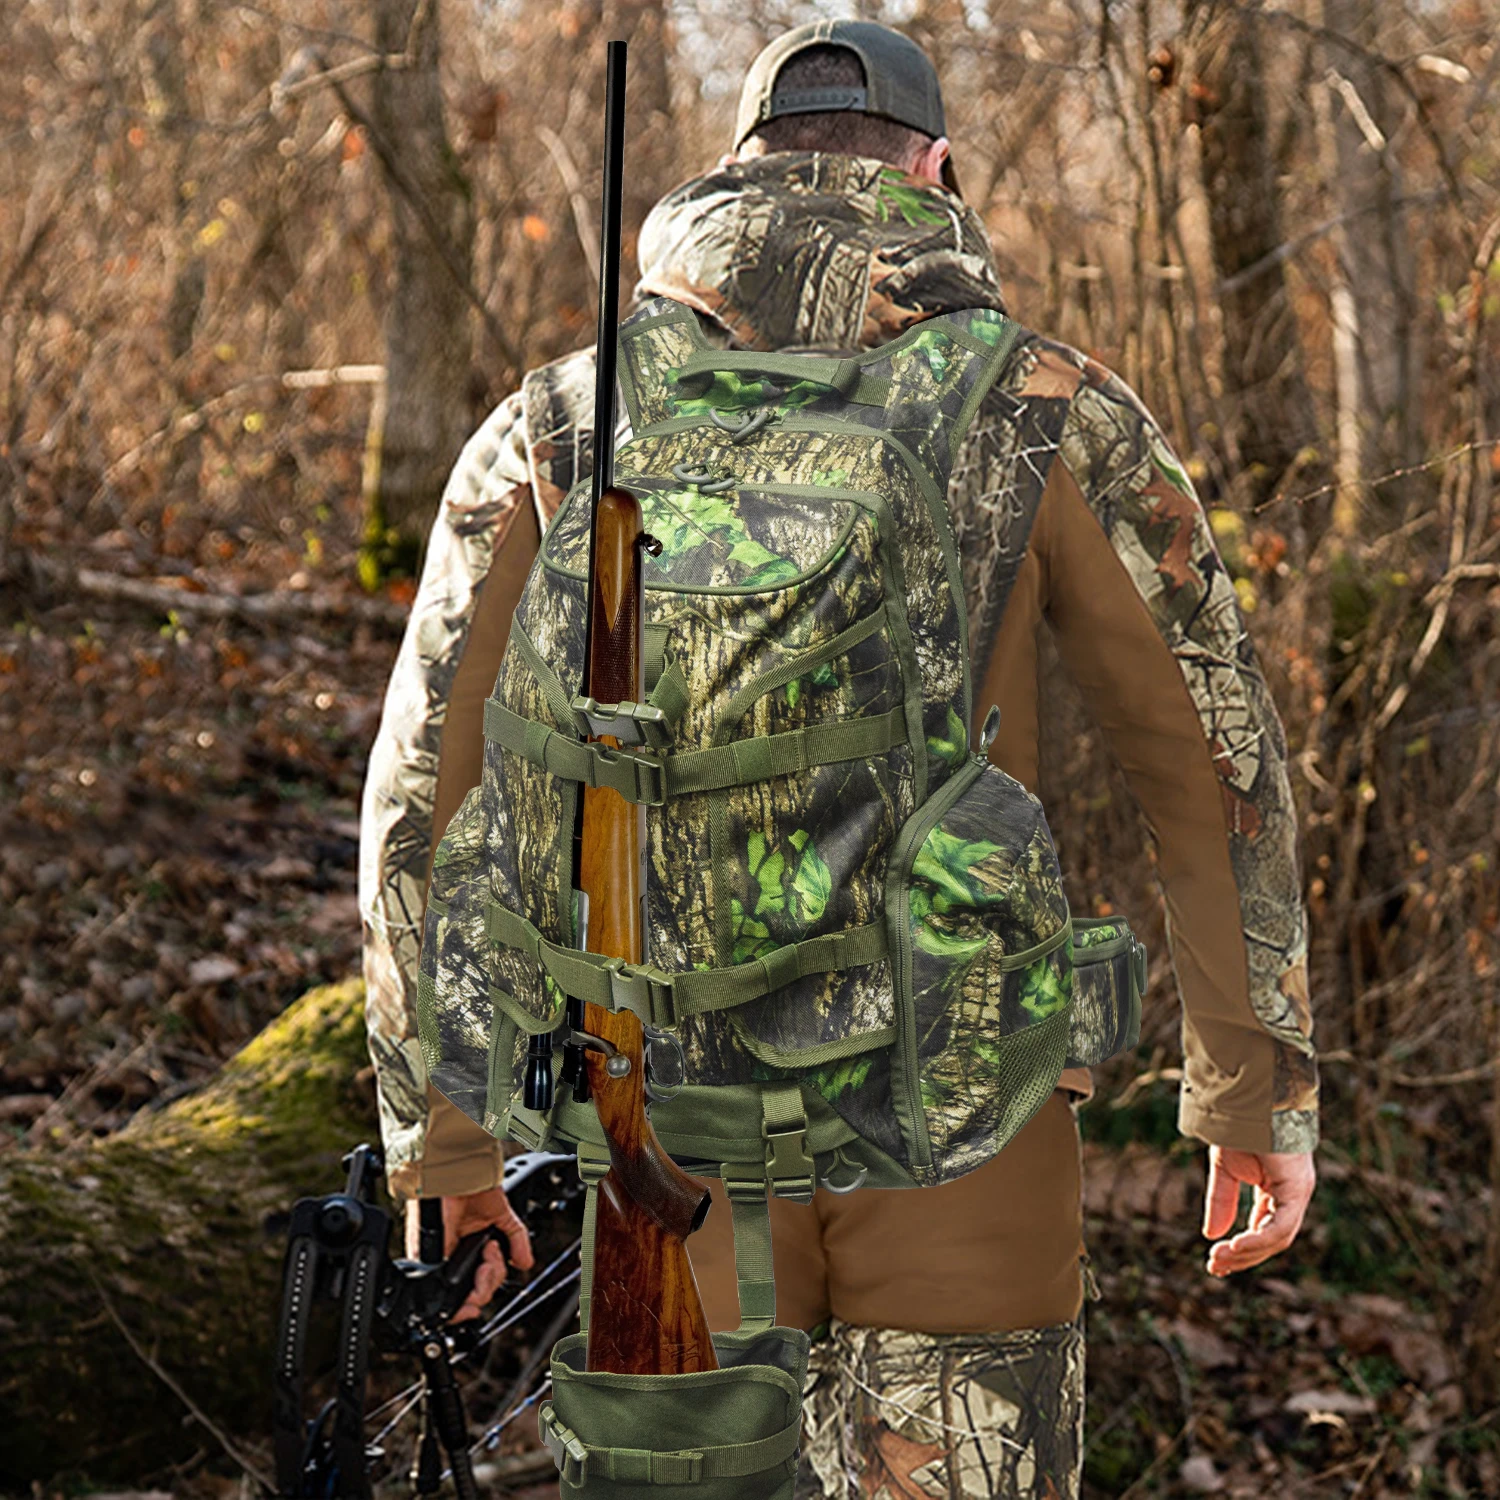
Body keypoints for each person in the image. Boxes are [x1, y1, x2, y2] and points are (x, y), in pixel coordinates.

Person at [358, 19, 1319, 1496]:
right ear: (935, 170)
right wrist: (1252, 1095)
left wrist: (443, 1142)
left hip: (661, 1135)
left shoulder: (560, 418)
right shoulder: (1046, 406)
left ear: (736, 169)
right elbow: (1212, 759)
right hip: (965, 1111)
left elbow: (424, 783)